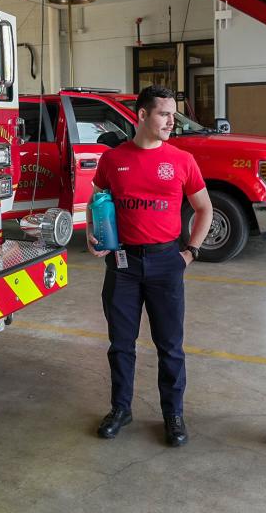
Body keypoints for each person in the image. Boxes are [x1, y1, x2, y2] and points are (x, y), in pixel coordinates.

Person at [87, 85, 213, 447]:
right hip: (122, 264)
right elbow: (97, 201)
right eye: (164, 114)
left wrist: (190, 252)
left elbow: (204, 209)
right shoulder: (113, 160)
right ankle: (121, 409)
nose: (171, 121)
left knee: (170, 346)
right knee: (121, 344)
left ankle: (173, 414)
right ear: (142, 115)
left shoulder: (181, 160)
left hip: (166, 262)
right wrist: (97, 234)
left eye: (173, 115)